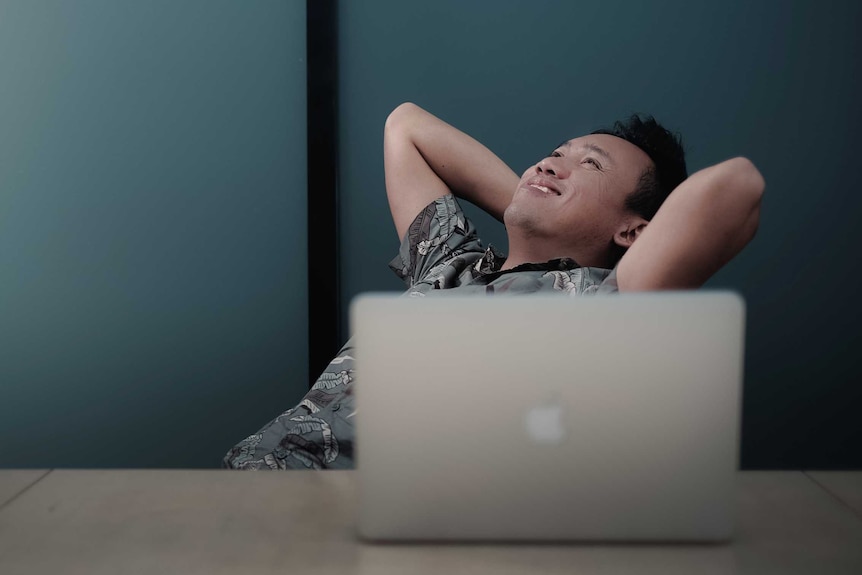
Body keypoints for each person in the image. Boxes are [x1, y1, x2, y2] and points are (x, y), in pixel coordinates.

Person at [224, 102, 764, 470]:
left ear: (634, 230)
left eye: (590, 164)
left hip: (357, 521)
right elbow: (406, 126)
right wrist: (534, 199)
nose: (552, 163)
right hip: (247, 480)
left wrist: (590, 231)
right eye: (556, 152)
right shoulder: (449, 264)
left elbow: (738, 186)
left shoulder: (608, 302)